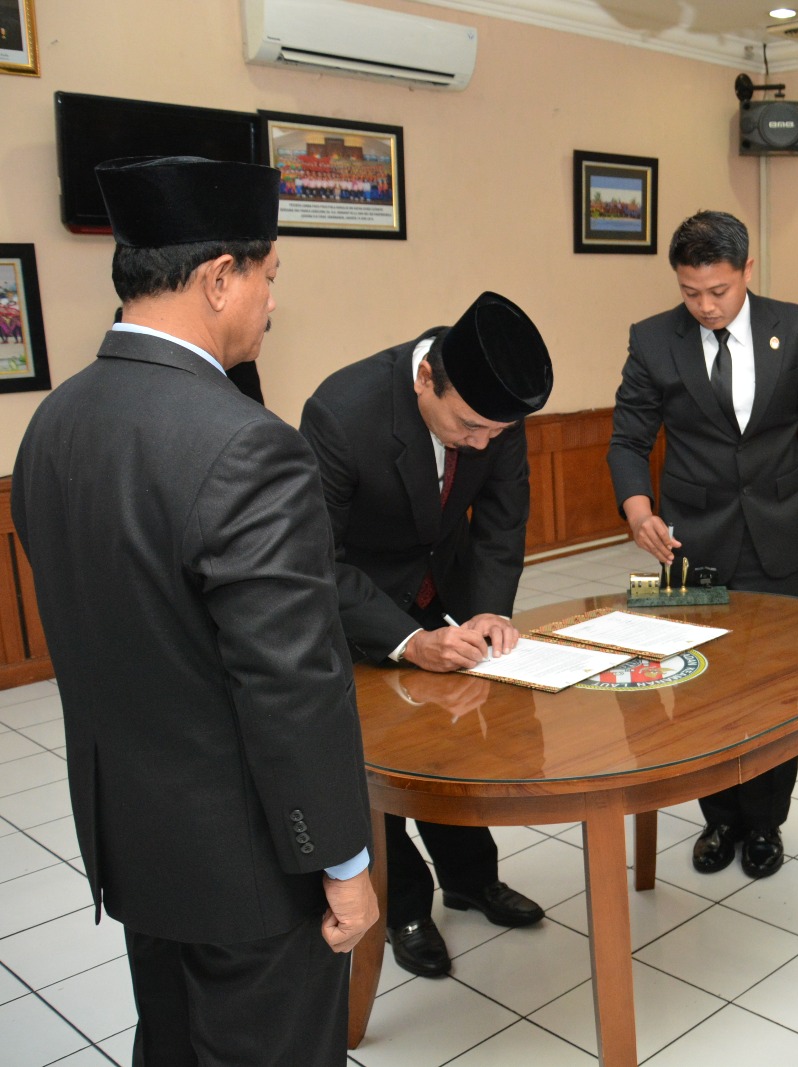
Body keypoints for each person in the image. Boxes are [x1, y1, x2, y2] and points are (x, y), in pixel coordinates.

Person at [11, 155, 377, 1065]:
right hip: (249, 867)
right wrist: (343, 861)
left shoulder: (54, 422)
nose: (271, 302)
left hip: (134, 840)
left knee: (170, 1042)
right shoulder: (249, 447)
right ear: (222, 276)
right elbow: (291, 683)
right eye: (269, 275)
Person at [299, 291, 553, 979]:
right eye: (468, 427)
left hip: (448, 588)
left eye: (494, 433)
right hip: (362, 611)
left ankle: (471, 880)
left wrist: (492, 611)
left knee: (456, 747)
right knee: (381, 765)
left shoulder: (494, 412)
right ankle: (406, 905)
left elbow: (502, 520)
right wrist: (408, 642)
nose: (480, 443)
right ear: (424, 380)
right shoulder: (340, 413)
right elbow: (320, 558)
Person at [608, 210, 798, 879]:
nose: (706, 306)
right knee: (699, 686)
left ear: (747, 270)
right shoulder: (655, 340)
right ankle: (719, 817)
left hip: (778, 534)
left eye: (719, 290)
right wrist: (636, 509)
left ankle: (765, 822)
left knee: (775, 686)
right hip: (692, 540)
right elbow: (628, 437)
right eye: (691, 292)